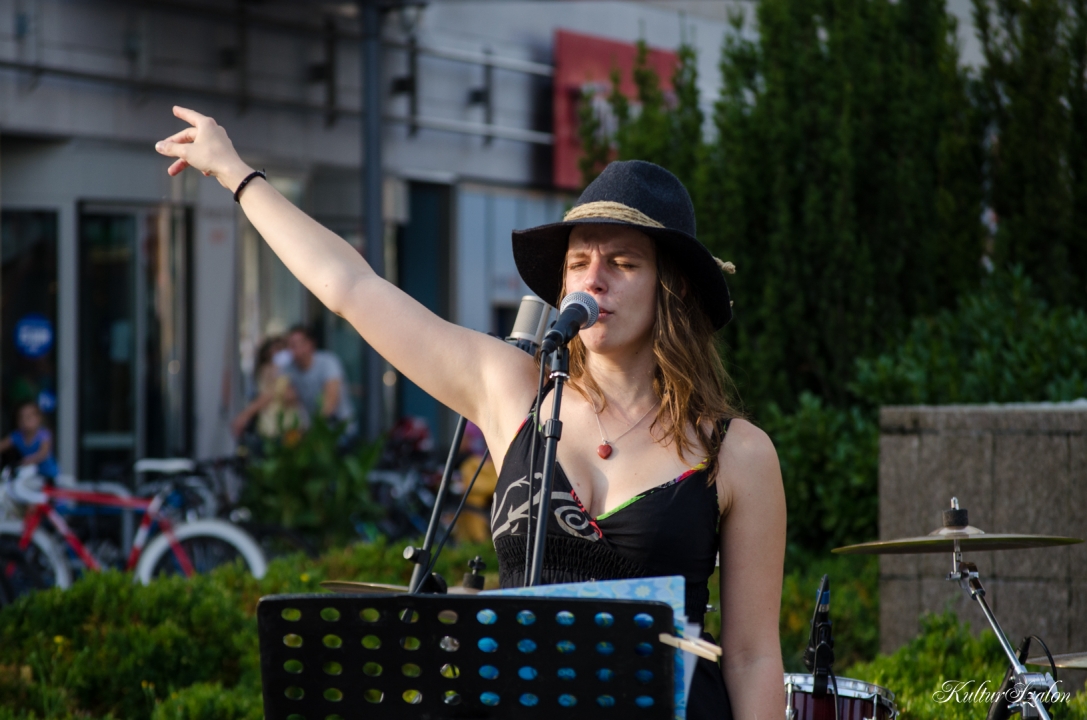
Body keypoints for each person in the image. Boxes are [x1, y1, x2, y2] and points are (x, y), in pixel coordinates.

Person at [155, 107, 786, 719]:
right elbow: (352, 288)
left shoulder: (736, 451)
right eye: (578, 263)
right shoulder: (512, 389)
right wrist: (237, 175)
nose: (593, 280)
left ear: (671, 287)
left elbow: (753, 656)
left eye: (622, 263)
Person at [281, 324, 356, 441]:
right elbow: (284, 399)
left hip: (339, 431)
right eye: (289, 345)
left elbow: (331, 401)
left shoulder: (328, 362)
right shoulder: (288, 369)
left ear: (310, 344)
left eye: (295, 344)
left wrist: (312, 430)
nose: (292, 349)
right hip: (313, 434)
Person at [231, 335, 307, 445]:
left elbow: (285, 396)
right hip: (273, 428)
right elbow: (268, 395)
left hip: (285, 429)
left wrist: (245, 415)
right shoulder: (269, 370)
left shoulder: (289, 371)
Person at [0, 401, 59, 479]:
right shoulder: (17, 436)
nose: (24, 421)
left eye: (28, 417)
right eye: (21, 417)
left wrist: (28, 461)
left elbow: (43, 453)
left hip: (49, 475)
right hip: (30, 475)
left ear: (39, 418)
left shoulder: (44, 434)